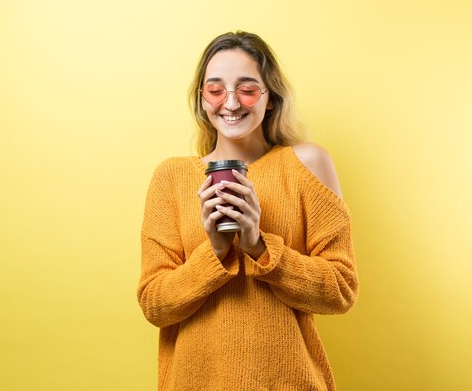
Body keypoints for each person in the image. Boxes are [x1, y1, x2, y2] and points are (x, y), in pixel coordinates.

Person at [137, 31, 359, 391]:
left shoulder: (308, 164)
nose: (231, 102)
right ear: (201, 99)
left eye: (247, 88)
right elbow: (155, 305)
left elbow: (341, 291)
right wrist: (216, 250)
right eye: (215, 89)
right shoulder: (171, 177)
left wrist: (259, 245)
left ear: (269, 98)